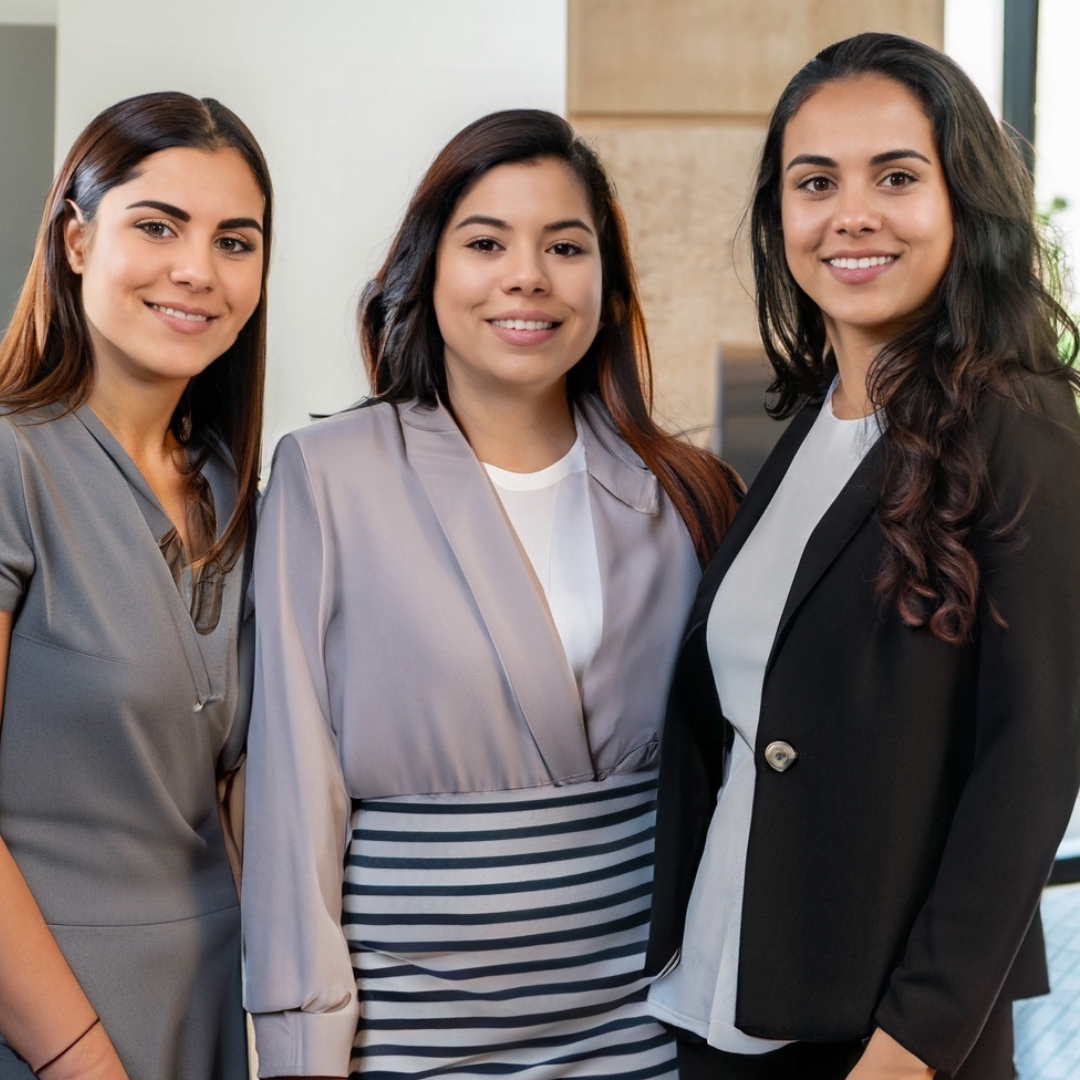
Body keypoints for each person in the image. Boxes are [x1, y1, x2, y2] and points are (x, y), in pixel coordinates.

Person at [241, 108, 740, 1080]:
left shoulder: (688, 494)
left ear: (609, 281)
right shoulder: (328, 476)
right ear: (426, 270)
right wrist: (305, 1053)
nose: (528, 276)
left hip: (645, 1032)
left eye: (565, 245)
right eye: (486, 242)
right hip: (411, 1034)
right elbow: (292, 801)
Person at [644, 31, 1080, 1080]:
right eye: (814, 181)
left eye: (896, 176)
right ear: (779, 217)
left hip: (883, 1039)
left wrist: (912, 1045)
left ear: (960, 202)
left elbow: (1031, 765)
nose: (852, 213)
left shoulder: (1021, 428)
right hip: (725, 1002)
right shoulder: (804, 434)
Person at [0, 92, 271, 1080]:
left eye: (236, 241)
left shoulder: (234, 492)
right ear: (76, 240)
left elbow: (238, 798)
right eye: (157, 226)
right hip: (49, 1034)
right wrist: (80, 1060)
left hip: (204, 1021)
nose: (198, 269)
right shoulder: (11, 465)